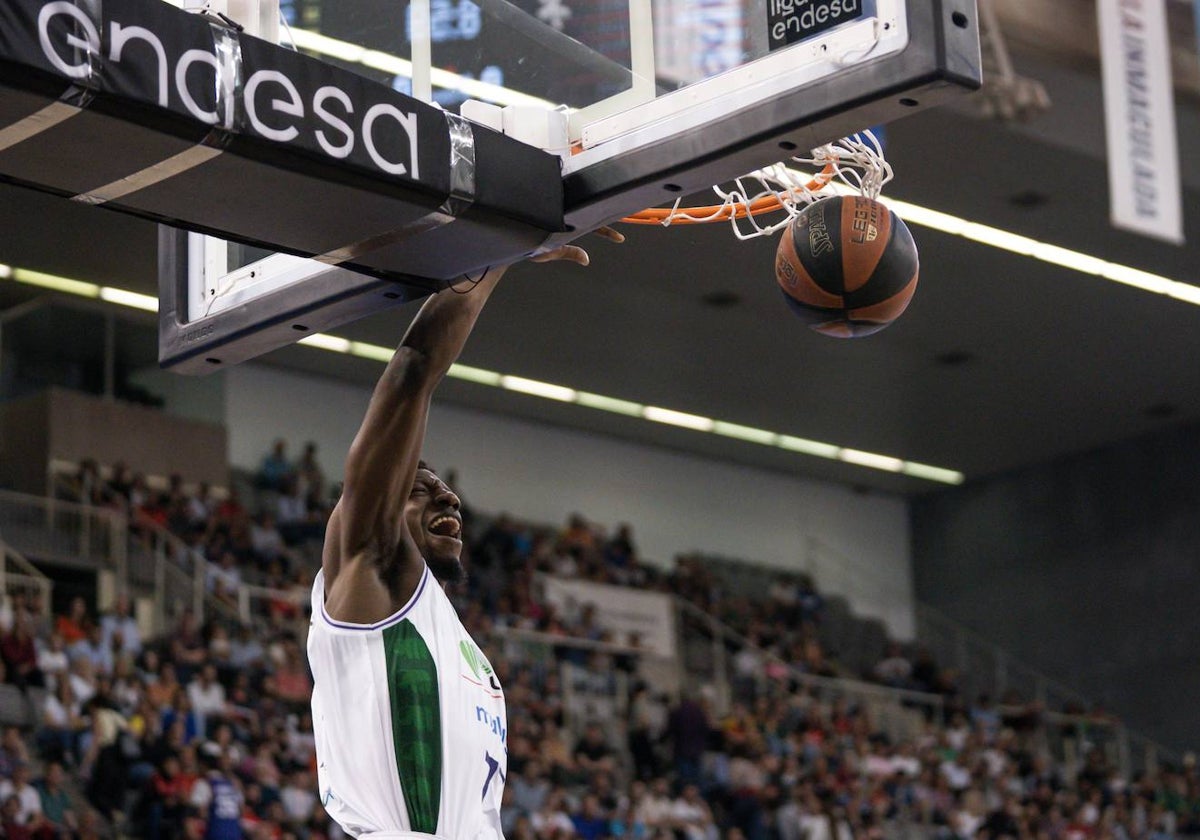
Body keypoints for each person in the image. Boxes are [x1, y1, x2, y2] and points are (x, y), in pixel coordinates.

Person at [307, 233, 619, 840]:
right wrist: (504, 243)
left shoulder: (458, 646)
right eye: (421, 487)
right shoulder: (365, 569)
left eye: (448, 490)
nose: (450, 497)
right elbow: (412, 372)